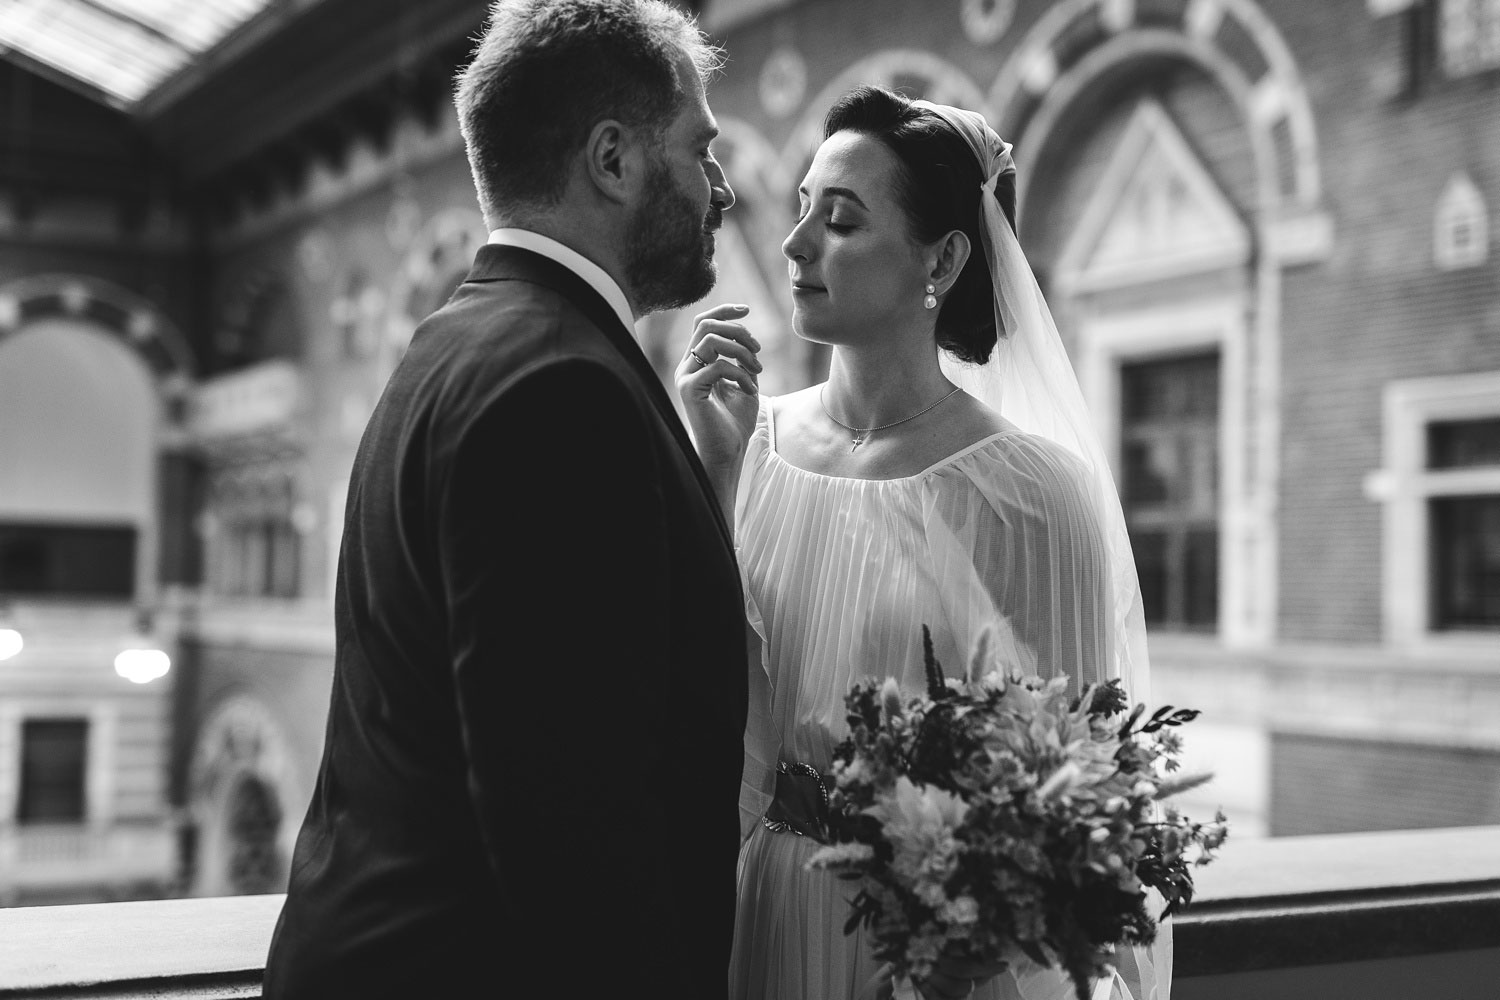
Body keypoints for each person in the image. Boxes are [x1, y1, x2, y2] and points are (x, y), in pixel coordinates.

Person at [263, 3, 753, 997]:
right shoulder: (562, 388)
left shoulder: (460, 340)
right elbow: (570, 827)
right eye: (699, 150)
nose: (723, 190)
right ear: (612, 160)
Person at [677, 86, 1167, 1000]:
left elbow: (1067, 793)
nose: (794, 245)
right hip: (756, 914)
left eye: (842, 221)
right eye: (800, 213)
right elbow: (694, 704)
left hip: (922, 956)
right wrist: (714, 476)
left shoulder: (1031, 493)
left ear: (940, 257)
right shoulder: (746, 446)